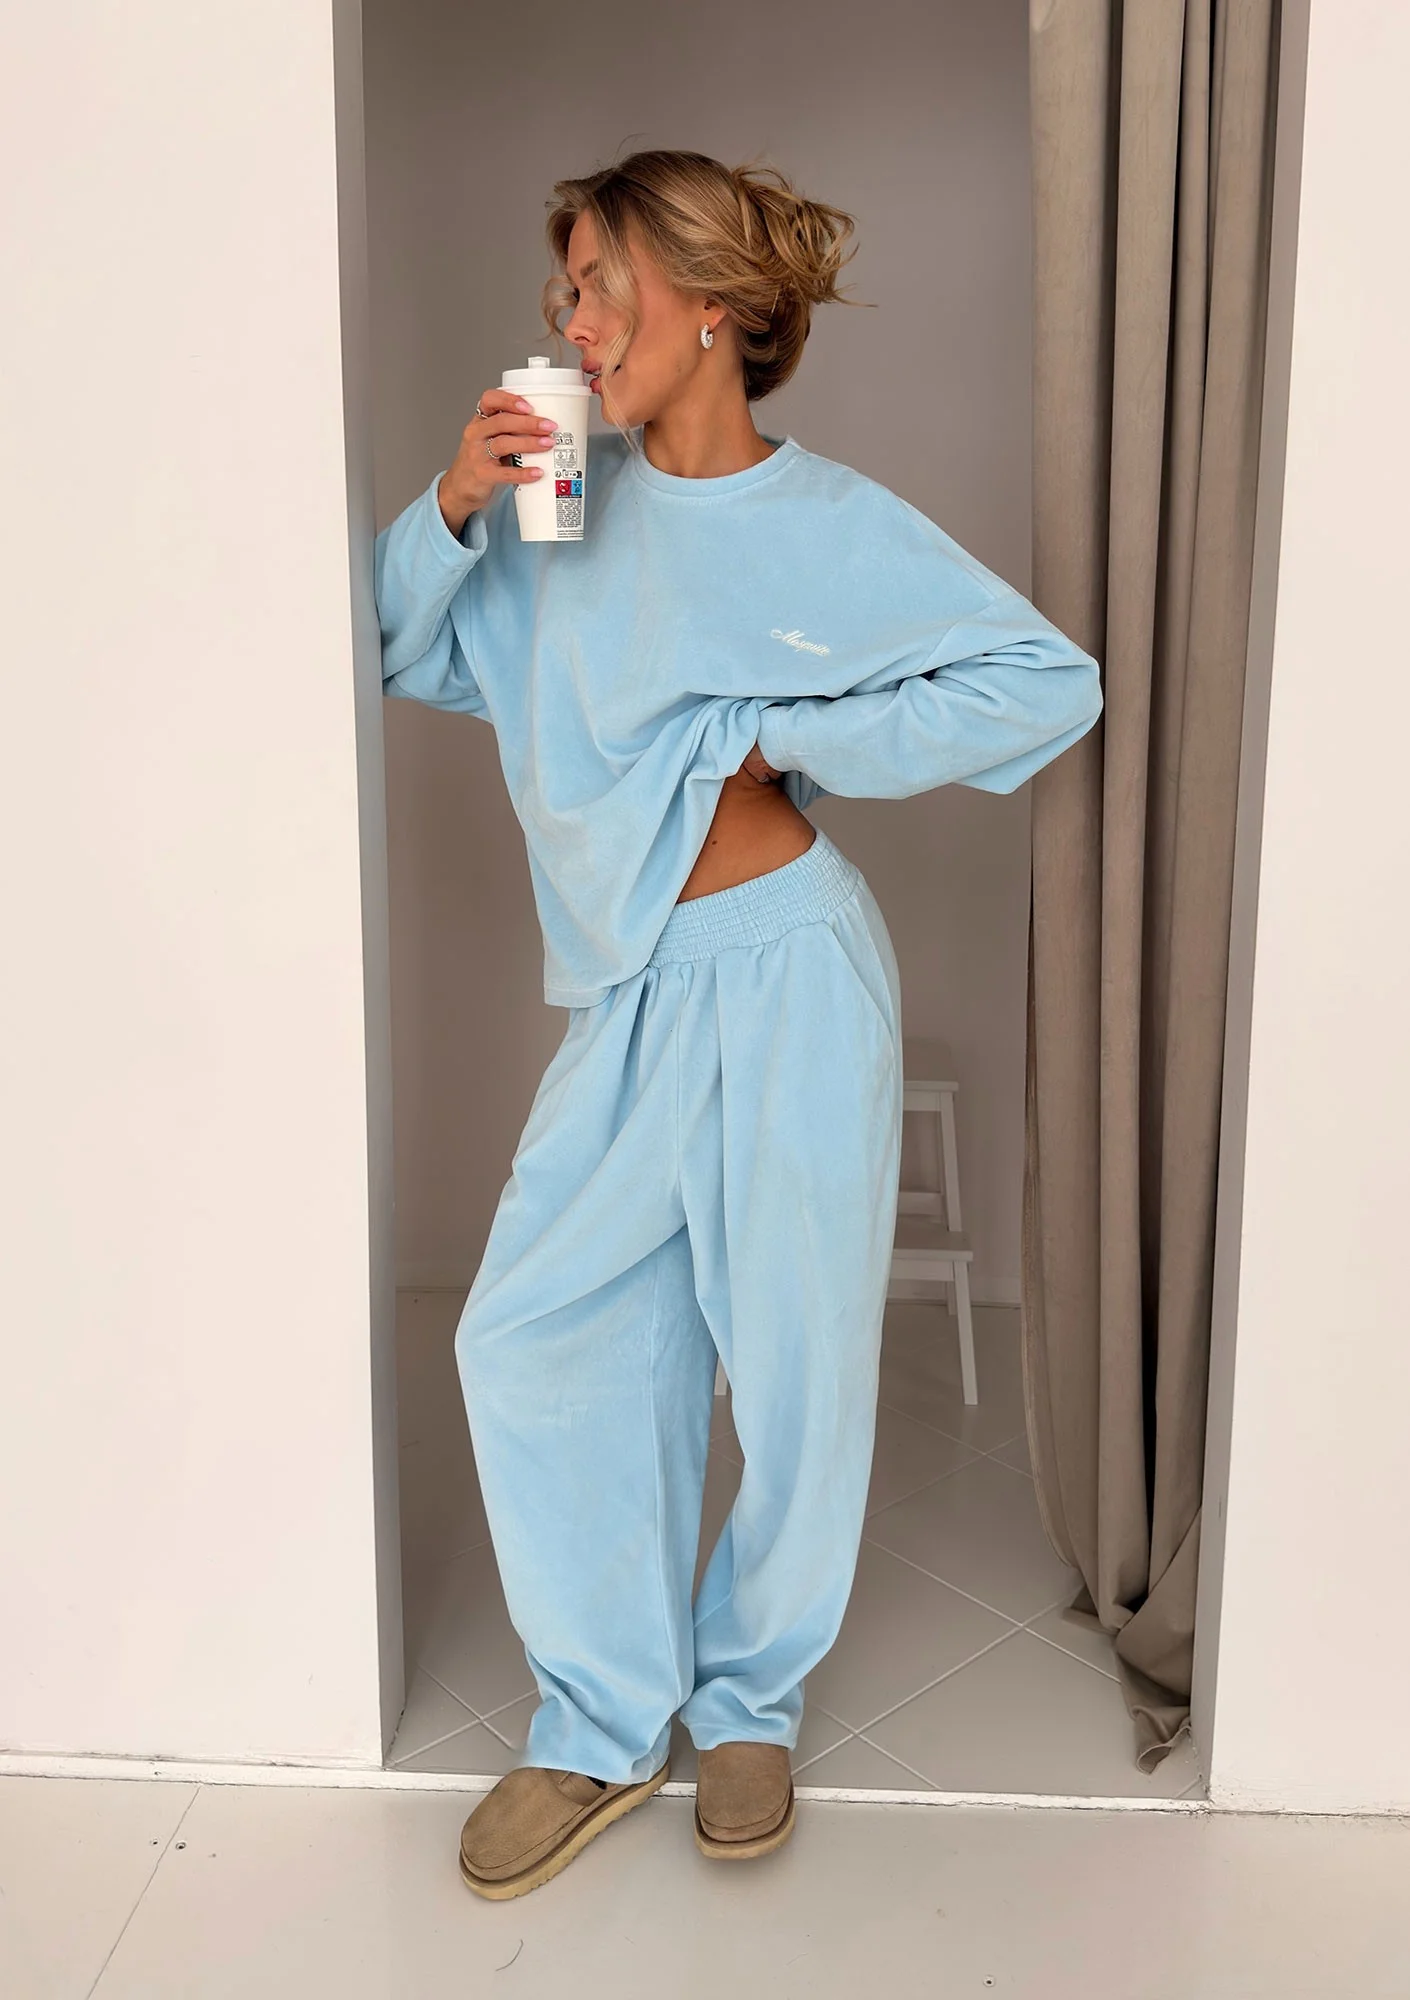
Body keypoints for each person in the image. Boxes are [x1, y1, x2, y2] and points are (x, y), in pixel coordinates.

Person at [373, 149, 1102, 1900]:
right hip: (629, 985)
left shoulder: (827, 523)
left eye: (599, 284)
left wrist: (788, 736)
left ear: (707, 305)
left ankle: (750, 1696)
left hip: (787, 970)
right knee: (538, 1333)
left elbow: (1045, 683)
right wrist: (450, 510)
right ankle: (599, 1716)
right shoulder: (551, 514)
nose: (571, 320)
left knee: (788, 1355)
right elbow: (407, 652)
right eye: (561, 291)